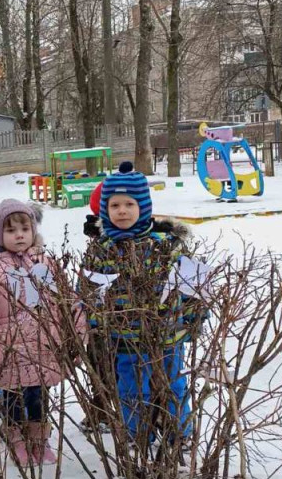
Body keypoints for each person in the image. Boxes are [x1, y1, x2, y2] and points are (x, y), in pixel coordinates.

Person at [81, 161, 198, 443]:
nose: (122, 211)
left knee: (173, 385)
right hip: (124, 335)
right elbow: (89, 291)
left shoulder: (167, 244)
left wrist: (194, 317)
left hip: (168, 332)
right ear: (104, 210)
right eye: (115, 205)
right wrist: (95, 324)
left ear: (143, 206)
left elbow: (190, 285)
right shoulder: (101, 249)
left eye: (129, 204)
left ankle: (179, 435)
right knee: (131, 388)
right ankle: (137, 435)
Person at [0, 199, 76, 465]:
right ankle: (17, 440)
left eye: (25, 229)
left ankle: (40, 439)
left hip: (43, 346)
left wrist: (73, 337)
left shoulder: (47, 264)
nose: (19, 235)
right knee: (14, 397)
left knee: (39, 395)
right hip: (9, 350)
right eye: (10, 230)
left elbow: (64, 301)